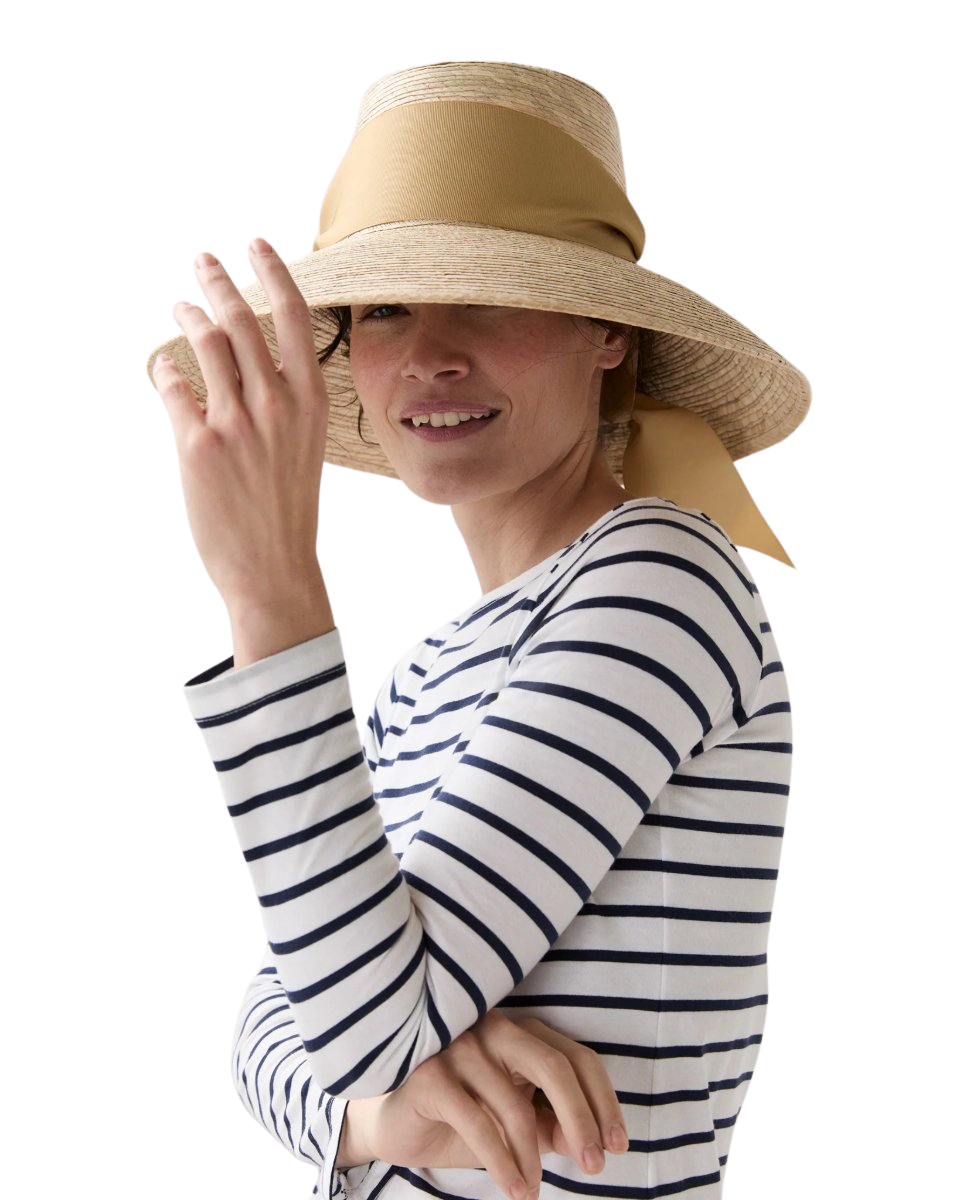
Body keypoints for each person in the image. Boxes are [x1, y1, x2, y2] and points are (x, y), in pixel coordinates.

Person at [146, 60, 805, 1200]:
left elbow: (362, 1022)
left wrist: (269, 596)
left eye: (489, 296)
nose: (430, 354)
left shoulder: (662, 581)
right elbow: (270, 1017)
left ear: (610, 333)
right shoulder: (425, 676)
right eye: (388, 306)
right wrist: (369, 1117)